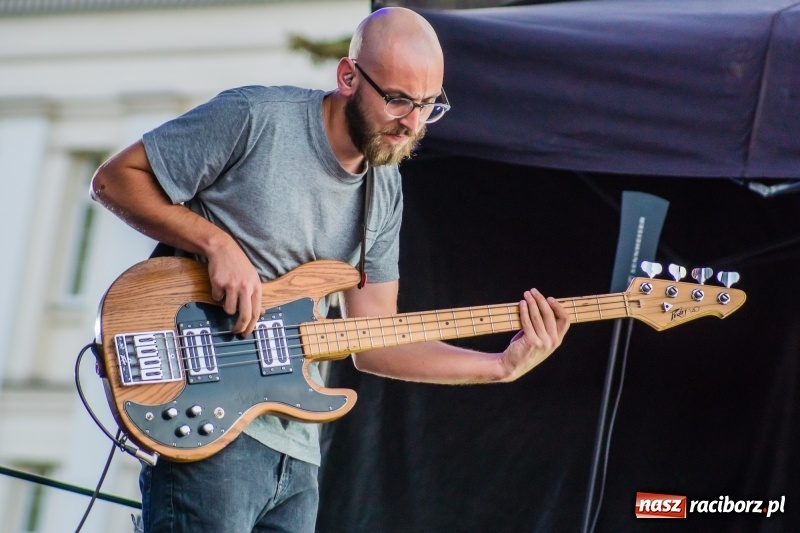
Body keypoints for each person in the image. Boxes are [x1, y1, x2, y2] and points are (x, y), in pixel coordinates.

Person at [91, 6, 570, 533]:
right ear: (348, 76)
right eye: (398, 100)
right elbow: (114, 180)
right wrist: (215, 243)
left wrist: (502, 365)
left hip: (296, 452)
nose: (411, 123)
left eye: (429, 106)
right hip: (208, 428)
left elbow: (376, 342)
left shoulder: (384, 189)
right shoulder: (255, 118)